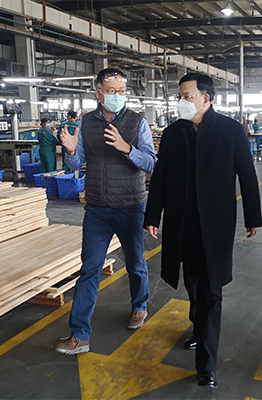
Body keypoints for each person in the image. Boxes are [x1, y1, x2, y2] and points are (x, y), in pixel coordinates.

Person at [144, 73, 262, 389]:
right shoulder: (174, 133)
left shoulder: (230, 131)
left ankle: (206, 365)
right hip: (182, 224)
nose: (181, 101)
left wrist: (253, 217)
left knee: (212, 289)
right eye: (180, 96)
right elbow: (161, 176)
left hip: (216, 225)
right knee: (193, 282)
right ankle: (199, 327)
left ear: (206, 98)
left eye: (187, 96)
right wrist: (153, 216)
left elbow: (247, 175)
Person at [55, 67, 157, 355]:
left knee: (135, 263)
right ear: (98, 92)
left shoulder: (137, 122)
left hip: (130, 206)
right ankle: (80, 335)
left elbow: (152, 163)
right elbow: (77, 164)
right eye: (111, 91)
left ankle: (139, 306)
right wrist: (71, 151)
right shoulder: (87, 122)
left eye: (121, 91)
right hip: (97, 209)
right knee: (89, 269)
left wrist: (127, 148)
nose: (117, 96)